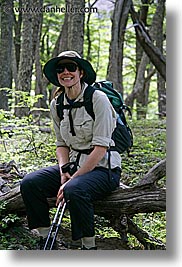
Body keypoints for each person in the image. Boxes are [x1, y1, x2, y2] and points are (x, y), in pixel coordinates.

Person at [20, 50, 122, 250]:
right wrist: (63, 170)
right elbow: (61, 144)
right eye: (60, 69)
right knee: (30, 183)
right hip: (74, 165)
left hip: (104, 169)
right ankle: (44, 237)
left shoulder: (98, 99)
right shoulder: (57, 104)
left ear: (81, 72)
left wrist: (72, 180)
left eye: (71, 67)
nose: (65, 72)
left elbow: (101, 149)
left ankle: (87, 246)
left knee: (75, 189)